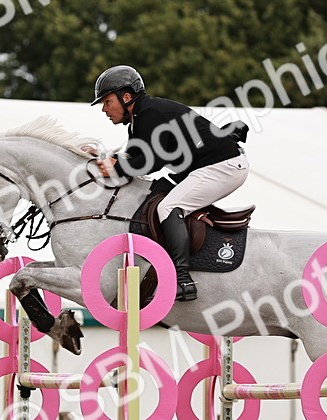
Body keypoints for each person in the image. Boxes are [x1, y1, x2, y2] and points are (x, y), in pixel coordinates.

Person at [91, 65, 249, 302]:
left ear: (126, 97)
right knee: (155, 195)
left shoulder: (151, 115)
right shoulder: (139, 120)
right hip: (204, 167)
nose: (104, 109)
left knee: (168, 207)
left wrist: (116, 165)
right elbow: (134, 160)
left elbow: (150, 164)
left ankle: (182, 279)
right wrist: (101, 158)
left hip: (222, 166)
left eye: (106, 102)